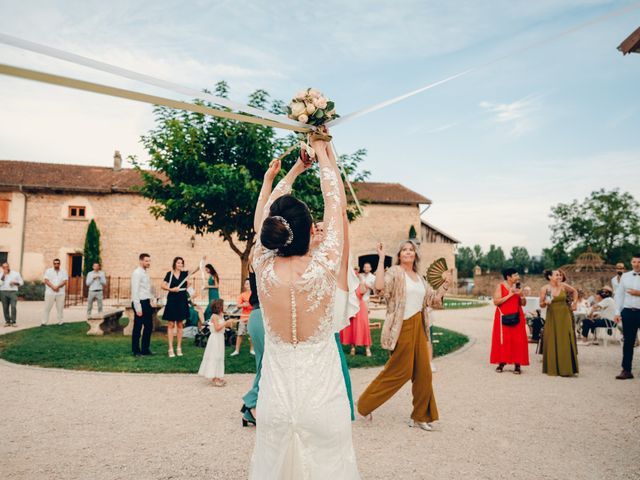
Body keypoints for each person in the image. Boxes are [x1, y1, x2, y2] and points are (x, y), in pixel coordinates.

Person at [249, 133, 360, 479]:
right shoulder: (325, 263)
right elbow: (336, 206)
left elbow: (267, 215)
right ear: (311, 230)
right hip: (322, 400)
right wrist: (325, 155)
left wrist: (291, 171)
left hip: (275, 403)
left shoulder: (262, 263)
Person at [357, 240, 451, 431]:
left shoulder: (420, 277)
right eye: (404, 250)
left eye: (411, 250)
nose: (408, 252)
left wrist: (445, 285)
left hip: (419, 326)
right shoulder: (395, 272)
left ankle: (419, 416)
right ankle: (364, 405)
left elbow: (432, 300)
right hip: (402, 326)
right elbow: (380, 287)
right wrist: (382, 259)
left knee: (424, 374)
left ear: (415, 255)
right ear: (399, 255)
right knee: (399, 371)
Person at [539, 269, 579, 377]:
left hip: (565, 315)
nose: (559, 277)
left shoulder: (563, 286)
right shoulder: (545, 289)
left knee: (565, 338)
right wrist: (545, 302)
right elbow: (541, 304)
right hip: (552, 316)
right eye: (557, 275)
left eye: (559, 275)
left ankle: (567, 368)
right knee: (552, 338)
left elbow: (575, 291)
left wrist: (575, 303)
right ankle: (554, 367)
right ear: (549, 277)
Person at [490, 268, 529, 374]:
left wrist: (521, 295)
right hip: (503, 315)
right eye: (515, 275)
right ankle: (502, 362)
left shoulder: (518, 286)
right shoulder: (501, 286)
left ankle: (517, 364)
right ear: (508, 277)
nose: (518, 277)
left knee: (518, 339)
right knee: (504, 339)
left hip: (517, 315)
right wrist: (510, 295)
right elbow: (496, 301)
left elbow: (523, 303)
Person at [241, 249, 263, 426]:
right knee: (267, 365)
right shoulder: (259, 266)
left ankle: (254, 405)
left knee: (264, 364)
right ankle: (250, 404)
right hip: (262, 315)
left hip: (258, 316)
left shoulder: (258, 266)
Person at [614, 253, 640, 380]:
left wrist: (639, 293)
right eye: (634, 262)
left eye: (639, 262)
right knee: (628, 342)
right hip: (628, 312)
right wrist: (617, 312)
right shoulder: (625, 276)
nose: (636, 264)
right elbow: (619, 295)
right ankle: (626, 370)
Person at [198, 299, 235, 387]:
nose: (224, 307)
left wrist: (230, 323)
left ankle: (217, 376)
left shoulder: (221, 315)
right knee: (214, 355)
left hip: (220, 337)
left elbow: (225, 326)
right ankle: (214, 377)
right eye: (223, 305)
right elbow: (217, 328)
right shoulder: (214, 316)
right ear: (219, 307)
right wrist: (226, 323)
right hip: (215, 338)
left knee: (219, 356)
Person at [162, 256, 190, 357]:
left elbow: (187, 286)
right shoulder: (169, 274)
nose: (180, 265)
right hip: (172, 299)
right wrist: (171, 289)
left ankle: (178, 347)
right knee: (170, 324)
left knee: (180, 324)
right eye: (178, 263)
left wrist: (188, 284)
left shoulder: (185, 274)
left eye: (182, 263)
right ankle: (170, 348)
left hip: (182, 299)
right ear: (175, 264)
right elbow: (163, 285)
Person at [340, 269, 372, 357]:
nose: (355, 274)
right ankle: (353, 347)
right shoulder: (348, 285)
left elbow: (362, 292)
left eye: (356, 272)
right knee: (353, 327)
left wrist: (361, 280)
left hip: (361, 308)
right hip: (351, 308)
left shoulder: (361, 284)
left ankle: (367, 348)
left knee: (363, 327)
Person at [131, 253, 154, 357]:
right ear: (141, 261)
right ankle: (136, 351)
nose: (148, 263)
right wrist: (138, 307)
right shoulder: (137, 273)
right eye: (146, 261)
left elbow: (146, 289)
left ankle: (145, 349)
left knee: (149, 326)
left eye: (149, 261)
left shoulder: (145, 273)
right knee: (137, 328)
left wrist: (151, 299)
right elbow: (135, 291)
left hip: (146, 302)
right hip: (139, 302)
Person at [231, 279, 253, 356]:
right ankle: (236, 350)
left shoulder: (255, 295)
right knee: (240, 334)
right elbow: (238, 305)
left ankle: (252, 350)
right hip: (243, 317)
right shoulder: (242, 295)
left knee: (252, 335)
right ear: (244, 286)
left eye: (249, 284)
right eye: (246, 284)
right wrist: (243, 305)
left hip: (252, 317)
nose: (248, 285)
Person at [42, 258, 68, 325]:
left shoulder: (64, 271)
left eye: (58, 263)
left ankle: (60, 322)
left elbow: (65, 281)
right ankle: (44, 322)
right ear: (53, 264)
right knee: (47, 308)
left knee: (60, 308)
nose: (56, 264)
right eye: (55, 263)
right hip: (50, 292)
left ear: (60, 264)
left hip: (60, 292)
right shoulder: (48, 271)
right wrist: (53, 287)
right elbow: (46, 280)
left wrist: (58, 287)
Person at [0, 262, 24, 327]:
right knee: (5, 307)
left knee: (13, 306)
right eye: (4, 267)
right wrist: (4, 275)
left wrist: (15, 283)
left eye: (7, 266)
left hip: (13, 292)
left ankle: (13, 321)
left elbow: (21, 282)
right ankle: (7, 321)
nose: (6, 268)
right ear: (2, 268)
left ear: (9, 266)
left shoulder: (15, 273)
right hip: (3, 292)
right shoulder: (1, 274)